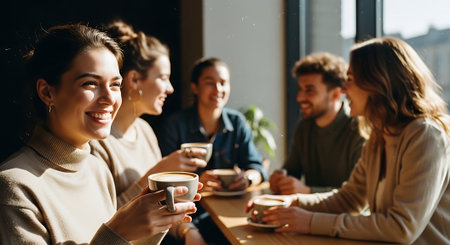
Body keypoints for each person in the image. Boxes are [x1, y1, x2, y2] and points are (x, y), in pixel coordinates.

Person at [0, 24, 200, 244]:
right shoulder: (15, 186)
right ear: (47, 92)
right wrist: (119, 232)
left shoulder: (96, 169)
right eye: (90, 83)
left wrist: (156, 222)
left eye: (115, 85)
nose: (109, 98)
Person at [246, 37, 450, 244]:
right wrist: (294, 202)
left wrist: (309, 221)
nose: (343, 90)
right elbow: (349, 199)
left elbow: (401, 228)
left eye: (350, 79)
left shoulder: (425, 135)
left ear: (377, 83)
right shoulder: (379, 137)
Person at [88, 20, 207, 244]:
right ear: (134, 80)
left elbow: (159, 211)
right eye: (163, 78)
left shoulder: (145, 131)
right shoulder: (96, 142)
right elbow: (104, 225)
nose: (170, 88)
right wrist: (158, 172)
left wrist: (187, 231)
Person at [158, 57, 268, 244]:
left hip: (226, 210)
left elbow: (257, 167)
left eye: (223, 83)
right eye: (210, 83)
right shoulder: (175, 125)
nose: (218, 90)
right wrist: (198, 182)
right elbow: (163, 180)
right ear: (195, 87)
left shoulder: (237, 122)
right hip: (186, 212)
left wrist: (247, 179)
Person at [269, 52, 365, 195]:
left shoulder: (360, 130)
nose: (300, 98)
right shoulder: (305, 126)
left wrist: (309, 192)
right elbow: (292, 170)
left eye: (309, 90)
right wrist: (280, 179)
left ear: (335, 95)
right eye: (300, 89)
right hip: (311, 214)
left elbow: (358, 198)